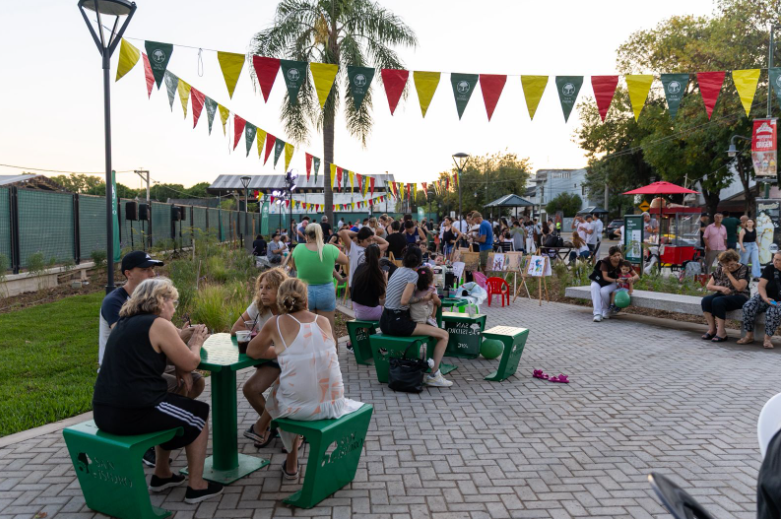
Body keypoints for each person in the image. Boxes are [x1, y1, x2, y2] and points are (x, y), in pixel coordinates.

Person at [93, 278, 223, 504]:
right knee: (198, 414)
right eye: (172, 301)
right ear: (160, 301)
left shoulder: (125, 323)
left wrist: (181, 367)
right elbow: (192, 362)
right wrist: (197, 341)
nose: (174, 307)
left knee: (172, 405)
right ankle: (197, 486)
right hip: (132, 412)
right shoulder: (158, 324)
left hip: (104, 412)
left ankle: (162, 475)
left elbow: (152, 361)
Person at [246, 278, 364, 479]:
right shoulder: (323, 321)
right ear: (306, 299)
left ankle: (262, 429)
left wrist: (278, 349)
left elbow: (252, 351)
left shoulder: (276, 322)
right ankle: (286, 460)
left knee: (285, 391)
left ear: (282, 299)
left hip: (300, 410)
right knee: (288, 386)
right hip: (334, 404)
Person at [99, 251, 204, 467]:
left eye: (152, 269)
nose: (152, 273)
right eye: (145, 269)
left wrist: (182, 346)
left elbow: (167, 337)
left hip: (142, 370)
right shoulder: (115, 301)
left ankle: (170, 430)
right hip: (124, 373)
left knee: (195, 379)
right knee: (184, 391)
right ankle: (161, 432)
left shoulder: (146, 302)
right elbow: (136, 344)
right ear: (128, 273)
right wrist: (186, 351)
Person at [230, 268, 288, 448]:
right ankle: (273, 427)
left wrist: (262, 346)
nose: (263, 291)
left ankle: (288, 431)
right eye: (261, 287)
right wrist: (257, 337)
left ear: (280, 289)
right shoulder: (258, 306)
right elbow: (236, 328)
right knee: (250, 389)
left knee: (283, 389)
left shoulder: (292, 309)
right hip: (272, 359)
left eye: (269, 287)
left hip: (294, 363)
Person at [380, 246, 452, 387]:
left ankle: (428, 366)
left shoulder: (397, 270)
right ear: (419, 261)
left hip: (384, 320)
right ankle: (434, 375)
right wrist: (423, 298)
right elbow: (404, 301)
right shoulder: (412, 275)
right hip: (398, 323)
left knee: (433, 332)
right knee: (444, 335)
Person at [290, 223, 349, 333]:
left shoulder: (298, 248)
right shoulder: (330, 249)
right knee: (328, 331)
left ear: (306, 235)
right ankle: (331, 350)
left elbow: (295, 267)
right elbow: (345, 260)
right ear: (321, 235)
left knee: (307, 332)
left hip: (304, 292)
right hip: (326, 291)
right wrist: (330, 261)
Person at [700, 250, 750, 342]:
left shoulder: (743, 268)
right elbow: (709, 286)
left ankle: (721, 332)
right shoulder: (720, 268)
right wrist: (721, 288)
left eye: (731, 264)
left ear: (736, 260)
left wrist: (728, 273)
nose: (729, 267)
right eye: (726, 265)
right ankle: (712, 329)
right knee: (706, 300)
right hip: (723, 294)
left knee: (718, 301)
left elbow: (740, 288)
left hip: (740, 296)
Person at [738, 251, 781, 349]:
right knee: (748, 306)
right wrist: (765, 298)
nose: (775, 261)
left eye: (778, 260)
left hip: (778, 301)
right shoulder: (769, 269)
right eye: (774, 258)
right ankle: (749, 335)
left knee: (774, 311)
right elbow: (761, 286)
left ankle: (767, 339)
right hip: (765, 296)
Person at [350, 244, 387, 321]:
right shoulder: (377, 271)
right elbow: (382, 296)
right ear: (380, 255)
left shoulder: (360, 267)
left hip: (357, 311)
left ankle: (367, 331)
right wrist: (385, 279)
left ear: (365, 254)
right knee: (393, 310)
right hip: (369, 313)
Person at [589, 246, 623, 322]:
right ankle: (597, 313)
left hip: (613, 283)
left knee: (604, 291)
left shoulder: (622, 262)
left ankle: (606, 310)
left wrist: (632, 279)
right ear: (610, 257)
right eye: (615, 256)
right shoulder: (605, 262)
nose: (617, 257)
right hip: (601, 280)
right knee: (594, 286)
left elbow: (631, 273)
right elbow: (605, 277)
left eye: (619, 255)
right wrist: (617, 280)